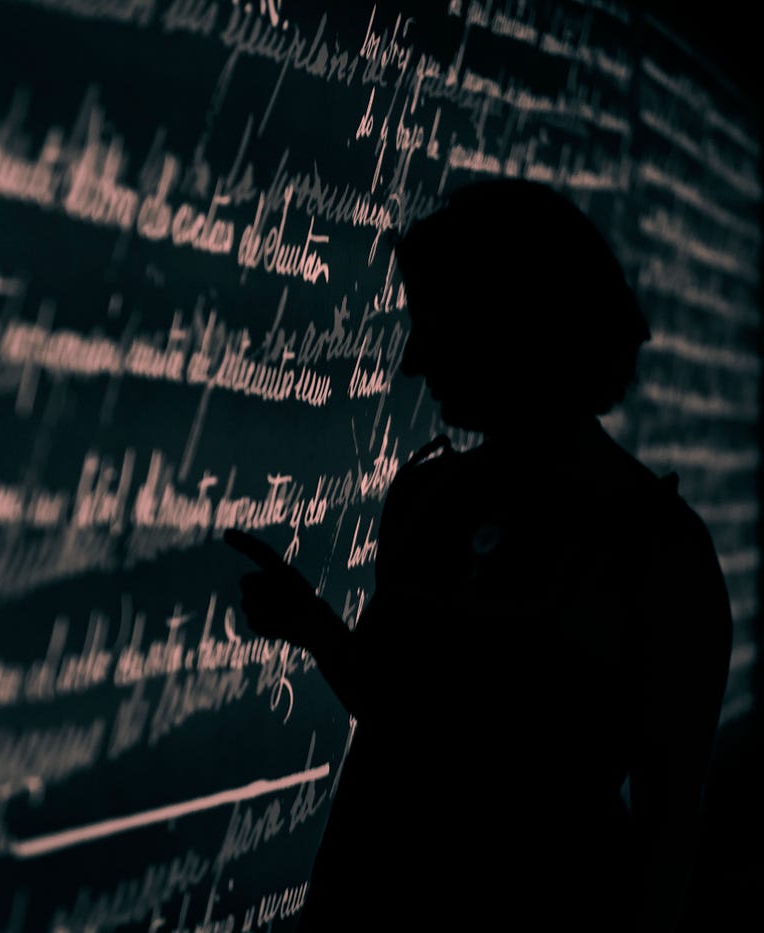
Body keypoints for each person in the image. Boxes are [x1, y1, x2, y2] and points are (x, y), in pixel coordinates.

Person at [225, 179, 732, 931]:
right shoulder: (427, 500)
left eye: (436, 323)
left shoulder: (656, 548)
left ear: (516, 325)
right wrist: (317, 630)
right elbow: (410, 719)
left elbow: (665, 821)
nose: (412, 361)